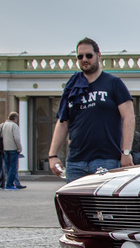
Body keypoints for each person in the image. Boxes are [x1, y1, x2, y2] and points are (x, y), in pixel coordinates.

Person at [48, 37, 135, 182]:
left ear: (98, 56)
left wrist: (126, 152)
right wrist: (52, 155)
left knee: (103, 205)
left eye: (89, 55)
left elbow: (129, 117)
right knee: (74, 205)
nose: (84, 59)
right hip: (75, 162)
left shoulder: (114, 83)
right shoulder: (72, 87)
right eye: (80, 56)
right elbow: (62, 122)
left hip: (106, 160)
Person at [2, 112, 24, 190]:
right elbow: (17, 138)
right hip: (13, 149)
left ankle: (5, 184)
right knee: (13, 167)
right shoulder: (14, 126)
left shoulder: (3, 125)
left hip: (5, 149)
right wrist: (19, 148)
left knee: (7, 167)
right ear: (15, 118)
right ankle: (9, 184)